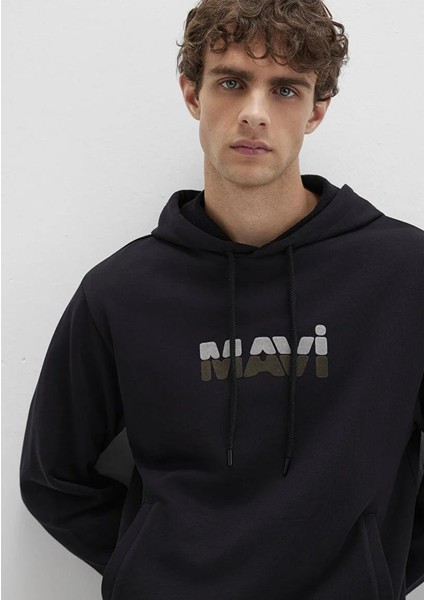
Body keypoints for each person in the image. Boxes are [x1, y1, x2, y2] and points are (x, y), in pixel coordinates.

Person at [19, 0, 424, 598]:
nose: (255, 113)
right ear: (192, 94)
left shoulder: (406, 274)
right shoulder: (121, 292)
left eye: (285, 89)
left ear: (316, 109)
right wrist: (150, 570)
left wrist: (377, 573)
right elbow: (52, 477)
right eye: (232, 82)